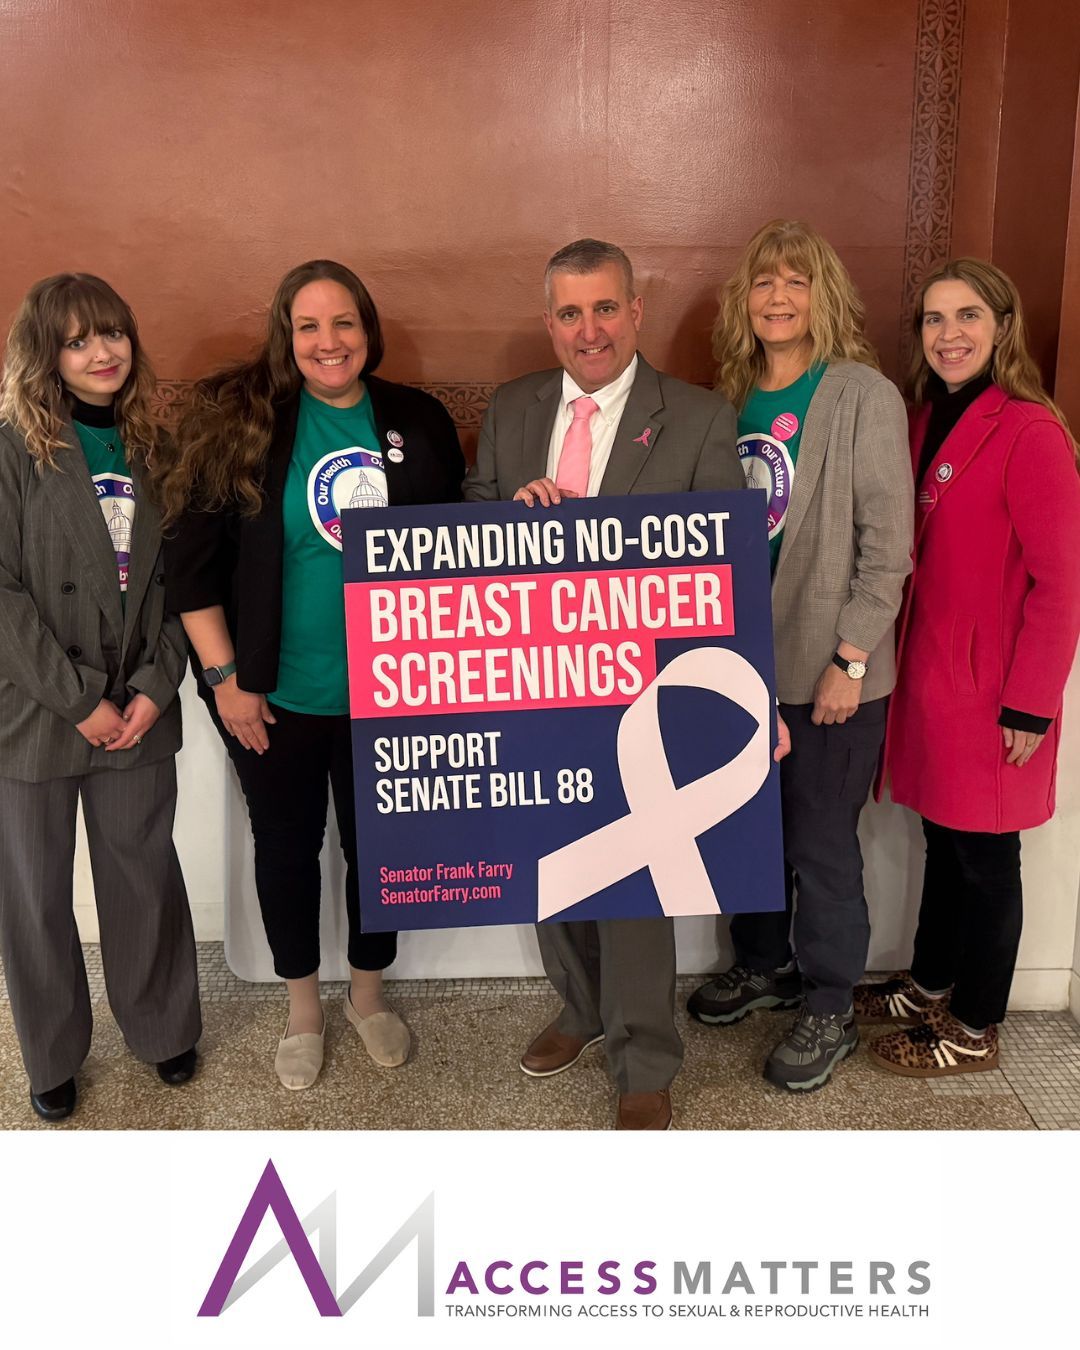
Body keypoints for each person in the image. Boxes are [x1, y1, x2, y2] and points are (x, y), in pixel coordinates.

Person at [161, 260, 464, 1090]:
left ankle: (367, 995)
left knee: (383, 849)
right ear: (286, 338)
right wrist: (225, 680)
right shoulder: (245, 424)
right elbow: (191, 570)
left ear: (368, 331)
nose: (329, 342)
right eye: (308, 327)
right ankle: (302, 1007)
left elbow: (462, 546)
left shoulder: (418, 419)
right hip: (274, 696)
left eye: (344, 323)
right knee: (287, 848)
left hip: (395, 695)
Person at [465, 237, 745, 1130]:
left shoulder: (697, 416)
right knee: (551, 859)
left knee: (636, 881)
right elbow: (470, 521)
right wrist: (508, 522)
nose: (590, 330)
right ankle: (580, 1009)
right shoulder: (512, 408)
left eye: (606, 308)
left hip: (646, 694)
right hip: (535, 682)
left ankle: (645, 1057)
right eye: (571, 313)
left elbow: (726, 568)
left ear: (636, 311)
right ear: (549, 322)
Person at [687, 220, 913, 1092]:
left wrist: (850, 660)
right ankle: (763, 965)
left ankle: (829, 1004)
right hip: (744, 664)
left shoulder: (860, 394)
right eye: (763, 282)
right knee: (749, 834)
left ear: (826, 296)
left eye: (796, 281)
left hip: (831, 671)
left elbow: (887, 546)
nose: (778, 297)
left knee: (820, 845)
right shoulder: (729, 396)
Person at [858, 258, 1080, 1075]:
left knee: (986, 861)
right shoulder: (921, 422)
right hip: (930, 681)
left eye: (968, 316)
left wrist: (1032, 704)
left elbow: (1063, 584)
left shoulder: (1031, 431)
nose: (949, 334)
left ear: (1003, 327)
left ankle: (975, 1024)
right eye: (934, 319)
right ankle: (929, 984)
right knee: (944, 840)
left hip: (993, 691)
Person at [0, 273, 201, 1123]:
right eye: (77, 340)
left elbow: (188, 581)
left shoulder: (159, 445)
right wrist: (78, 699)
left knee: (142, 876)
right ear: (46, 354)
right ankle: (51, 1054)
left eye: (112, 332)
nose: (101, 352)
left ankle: (162, 1028)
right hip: (36, 712)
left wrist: (157, 685)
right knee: (34, 895)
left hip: (139, 710)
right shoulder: (12, 449)